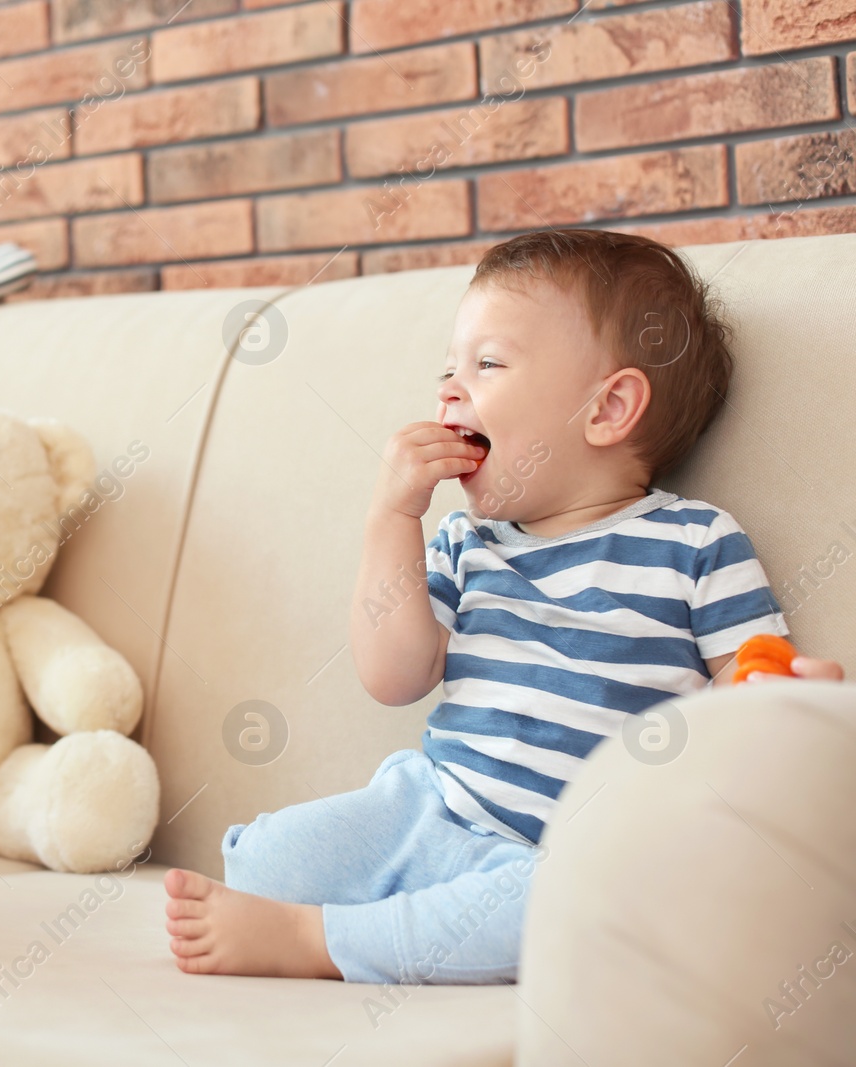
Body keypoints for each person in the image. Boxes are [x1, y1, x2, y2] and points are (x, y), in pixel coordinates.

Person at [163, 228, 840, 983]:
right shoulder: (467, 542)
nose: (450, 390)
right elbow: (394, 676)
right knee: (259, 861)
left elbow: (741, 688)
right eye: (448, 370)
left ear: (609, 408)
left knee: (560, 913)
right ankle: (373, 922)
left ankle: (322, 942)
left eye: (487, 365)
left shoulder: (695, 543)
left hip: (566, 853)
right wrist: (392, 518)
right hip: (431, 809)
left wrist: (777, 703)